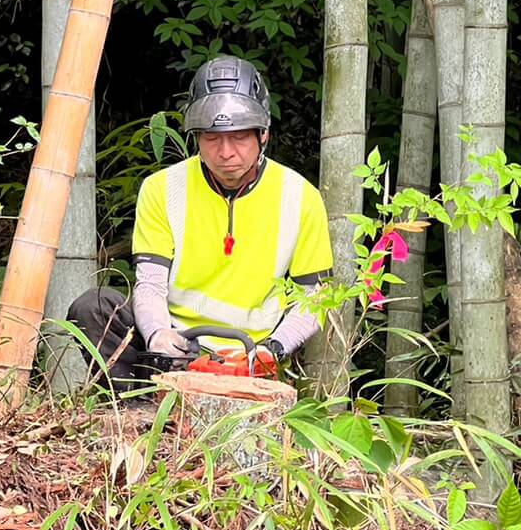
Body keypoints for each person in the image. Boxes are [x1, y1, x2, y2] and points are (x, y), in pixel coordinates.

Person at [69, 55, 334, 388]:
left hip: (251, 351)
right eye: (211, 138)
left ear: (263, 134)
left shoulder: (300, 197)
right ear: (196, 136)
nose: (225, 153)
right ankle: (136, 412)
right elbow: (150, 283)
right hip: (174, 343)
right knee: (92, 307)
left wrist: (274, 348)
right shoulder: (162, 188)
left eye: (238, 137)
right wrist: (157, 334)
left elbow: (317, 297)